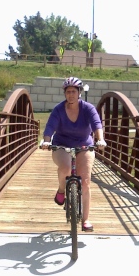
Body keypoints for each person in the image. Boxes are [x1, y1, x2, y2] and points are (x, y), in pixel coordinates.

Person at [40, 76, 107, 232]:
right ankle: (62, 190)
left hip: (84, 144)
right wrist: (46, 141)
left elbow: (97, 124)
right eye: (68, 91)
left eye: (73, 91)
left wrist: (101, 139)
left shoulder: (88, 108)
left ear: (79, 93)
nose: (71, 94)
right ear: (65, 93)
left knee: (85, 181)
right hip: (61, 144)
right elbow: (50, 127)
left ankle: (86, 219)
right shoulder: (59, 109)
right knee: (65, 168)